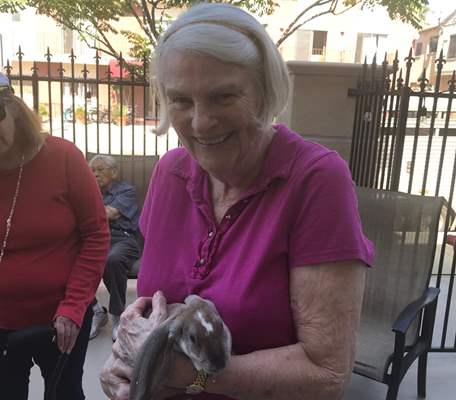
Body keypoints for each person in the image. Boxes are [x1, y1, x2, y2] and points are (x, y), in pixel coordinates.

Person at [100, 3, 374, 400]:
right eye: (180, 100)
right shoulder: (170, 173)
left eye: (224, 96)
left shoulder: (315, 179)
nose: (200, 122)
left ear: (264, 91)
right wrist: (123, 363)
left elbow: (326, 373)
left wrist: (182, 375)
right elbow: (152, 311)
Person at [0, 73, 110, 400]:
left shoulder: (63, 157)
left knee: (65, 395)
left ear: (14, 110)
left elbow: (96, 234)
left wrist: (74, 305)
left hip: (61, 321)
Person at [89, 155, 140, 341]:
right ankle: (95, 310)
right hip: (94, 239)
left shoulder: (126, 190)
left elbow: (109, 213)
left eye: (100, 169)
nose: (95, 174)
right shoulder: (88, 191)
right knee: (67, 259)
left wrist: (86, 206)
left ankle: (118, 316)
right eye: (92, 170)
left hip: (122, 239)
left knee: (113, 259)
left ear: (114, 172)